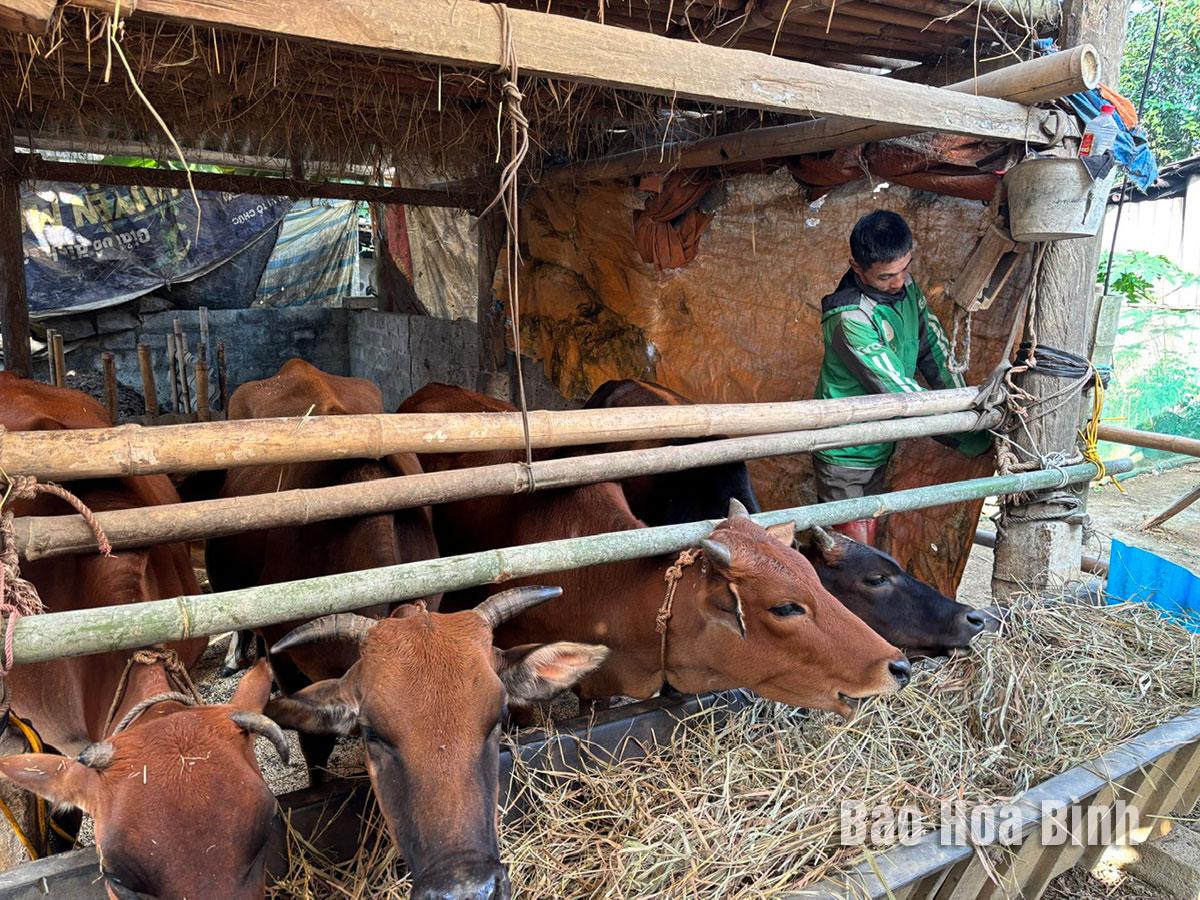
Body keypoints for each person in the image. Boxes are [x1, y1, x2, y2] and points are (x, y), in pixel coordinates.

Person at [813, 210, 991, 546]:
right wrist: (975, 436)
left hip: (879, 442)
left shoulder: (907, 288)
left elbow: (934, 349)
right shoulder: (850, 318)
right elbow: (900, 393)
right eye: (885, 277)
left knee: (868, 542)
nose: (897, 282)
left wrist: (972, 410)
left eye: (904, 269)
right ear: (856, 267)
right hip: (846, 452)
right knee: (852, 553)